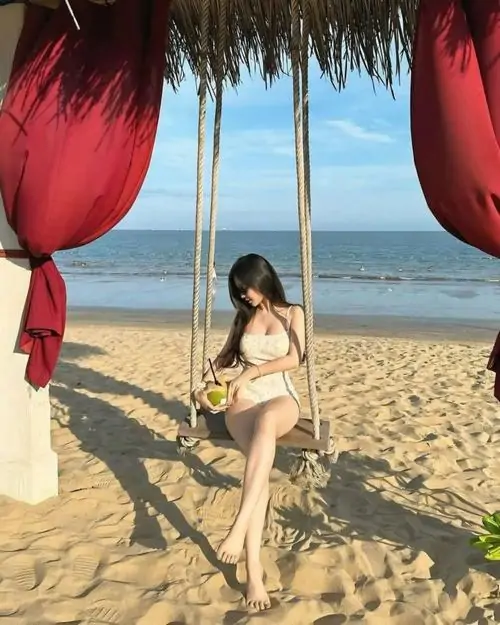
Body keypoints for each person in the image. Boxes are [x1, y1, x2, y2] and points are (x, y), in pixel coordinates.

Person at [194, 253, 305, 611]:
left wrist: (251, 373)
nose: (244, 295)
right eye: (239, 290)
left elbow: (295, 359)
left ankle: (239, 527)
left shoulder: (293, 313)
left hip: (280, 395)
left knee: (267, 424)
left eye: (247, 288)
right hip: (242, 398)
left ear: (263, 279)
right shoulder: (243, 318)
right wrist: (203, 389)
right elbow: (223, 360)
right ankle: (254, 574)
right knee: (259, 466)